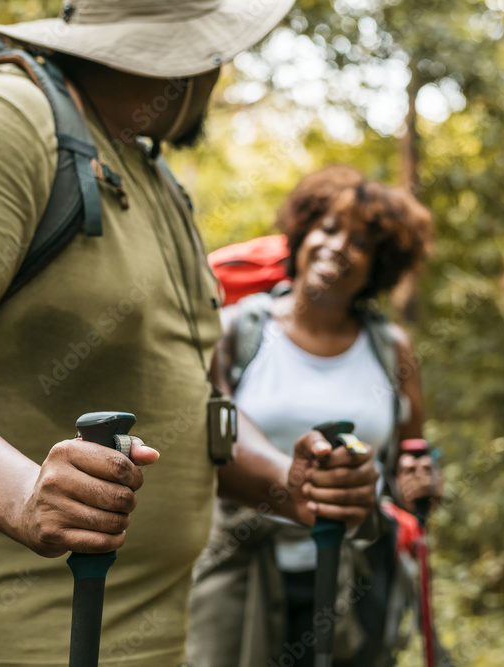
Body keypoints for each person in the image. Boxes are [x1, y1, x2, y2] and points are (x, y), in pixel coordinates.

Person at [0, 3, 382, 666]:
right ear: (181, 58)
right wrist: (23, 495)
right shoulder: (1, 120)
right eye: (217, 51)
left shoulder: (151, 179)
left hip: (142, 646)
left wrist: (289, 482)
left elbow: (197, 410)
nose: (223, 69)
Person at [187, 165, 438, 667]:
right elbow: (202, 440)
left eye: (361, 242)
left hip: (354, 575)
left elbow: (411, 455)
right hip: (240, 564)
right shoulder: (236, 330)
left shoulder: (391, 349)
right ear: (300, 235)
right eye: (327, 228)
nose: (339, 247)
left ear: (378, 265)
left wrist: (422, 484)